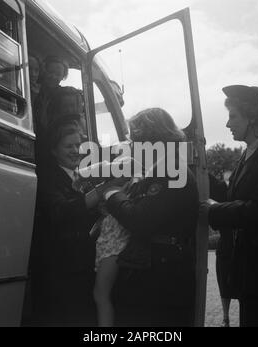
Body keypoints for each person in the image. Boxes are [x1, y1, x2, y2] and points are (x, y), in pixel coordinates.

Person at [99, 108, 199, 327]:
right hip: (159, 274)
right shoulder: (162, 170)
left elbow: (140, 220)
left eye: (135, 141)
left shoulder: (171, 171)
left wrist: (110, 193)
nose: (132, 147)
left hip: (161, 280)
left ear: (152, 141)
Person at [202, 85, 258, 327]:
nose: (227, 124)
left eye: (233, 116)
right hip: (252, 270)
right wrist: (200, 172)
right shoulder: (250, 154)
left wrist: (212, 210)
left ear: (253, 117)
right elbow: (232, 197)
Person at [30, 119, 99, 326]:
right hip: (61, 268)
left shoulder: (84, 175)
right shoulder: (46, 178)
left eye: (78, 145)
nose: (76, 150)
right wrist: (99, 194)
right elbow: (59, 212)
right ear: (53, 150)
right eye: (68, 146)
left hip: (84, 264)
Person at [209, 173, 234, 327]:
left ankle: (226, 317)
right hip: (226, 242)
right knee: (224, 281)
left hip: (231, 241)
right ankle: (225, 316)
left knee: (227, 281)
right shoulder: (221, 188)